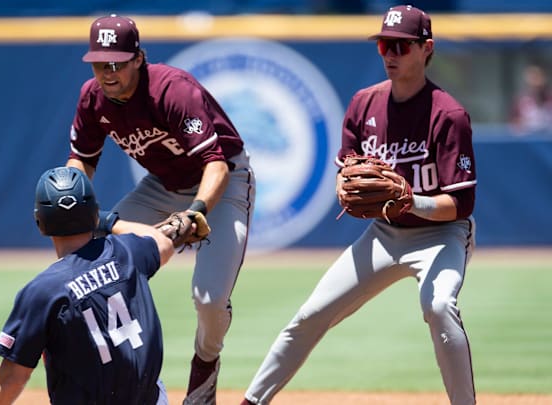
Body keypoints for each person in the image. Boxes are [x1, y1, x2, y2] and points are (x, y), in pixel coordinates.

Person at [241, 5, 477, 405]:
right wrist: (346, 187)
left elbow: (461, 203)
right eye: (385, 44)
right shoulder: (364, 104)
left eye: (402, 46)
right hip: (385, 234)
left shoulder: (448, 115)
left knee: (437, 306)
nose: (391, 54)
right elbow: (345, 175)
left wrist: (410, 199)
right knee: (310, 316)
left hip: (441, 234)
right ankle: (251, 402)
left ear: (426, 48)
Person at [67, 14, 256, 404]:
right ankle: (113, 372)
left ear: (139, 58)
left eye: (117, 62)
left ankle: (205, 369)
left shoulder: (172, 90)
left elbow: (216, 164)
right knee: (91, 255)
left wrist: (197, 210)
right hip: (164, 185)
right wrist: (70, 198)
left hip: (223, 179)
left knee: (209, 299)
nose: (108, 72)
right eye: (101, 63)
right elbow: (81, 161)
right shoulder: (92, 97)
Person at [0, 166, 175, 405]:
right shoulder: (127, 251)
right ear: (93, 213)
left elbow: (12, 377)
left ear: (39, 220)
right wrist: (107, 220)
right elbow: (163, 242)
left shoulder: (43, 291)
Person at [509, 63, 552, 134]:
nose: (535, 82)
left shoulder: (550, 98)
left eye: (537, 77)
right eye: (532, 77)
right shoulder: (520, 100)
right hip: (528, 142)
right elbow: (513, 124)